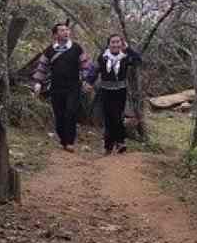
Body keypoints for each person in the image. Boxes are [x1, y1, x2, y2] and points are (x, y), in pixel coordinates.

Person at [32, 23, 92, 152]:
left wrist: (86, 80)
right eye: (62, 30)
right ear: (55, 35)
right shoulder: (50, 50)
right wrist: (38, 82)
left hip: (73, 87)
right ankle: (63, 140)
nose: (66, 32)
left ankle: (70, 141)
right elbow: (42, 67)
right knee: (59, 115)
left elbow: (86, 65)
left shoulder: (77, 48)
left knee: (70, 112)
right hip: (56, 87)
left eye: (67, 30)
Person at [88, 34, 142, 155]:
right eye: (113, 42)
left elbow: (138, 61)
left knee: (118, 117)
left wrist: (128, 49)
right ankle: (111, 145)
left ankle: (118, 143)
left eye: (118, 42)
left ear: (121, 44)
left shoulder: (125, 57)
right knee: (108, 118)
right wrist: (88, 82)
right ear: (109, 44)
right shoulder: (103, 57)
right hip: (106, 91)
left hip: (120, 91)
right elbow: (95, 70)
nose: (116, 44)